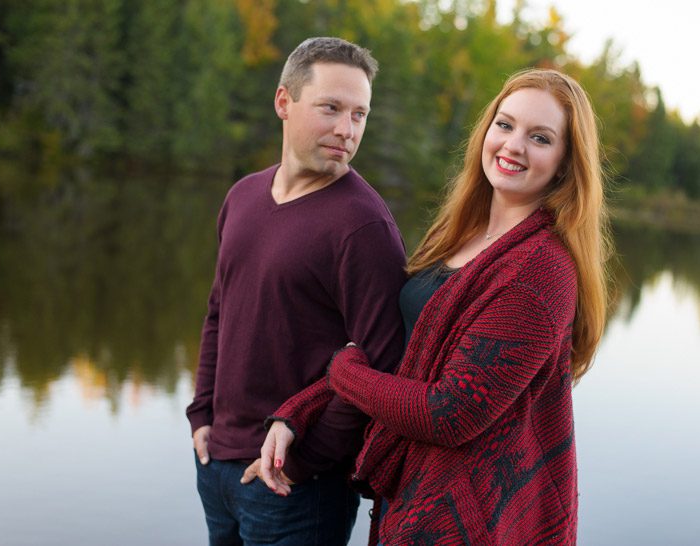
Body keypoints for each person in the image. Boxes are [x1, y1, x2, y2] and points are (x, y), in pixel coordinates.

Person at [259, 68, 611, 545]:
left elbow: (448, 413)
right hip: (415, 502)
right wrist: (300, 411)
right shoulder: (462, 236)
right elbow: (405, 356)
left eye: (541, 137)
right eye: (504, 125)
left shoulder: (540, 271)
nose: (513, 146)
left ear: (566, 162)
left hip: (473, 523)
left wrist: (342, 371)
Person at [186, 37, 407, 546]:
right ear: (284, 101)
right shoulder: (242, 196)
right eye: (331, 108)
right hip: (216, 464)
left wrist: (305, 463)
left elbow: (379, 366)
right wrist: (201, 415)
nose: (346, 130)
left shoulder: (363, 226)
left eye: (359, 115)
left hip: (296, 491)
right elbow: (220, 311)